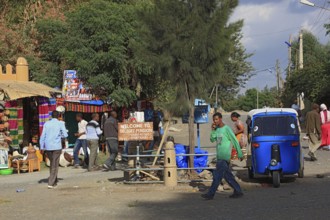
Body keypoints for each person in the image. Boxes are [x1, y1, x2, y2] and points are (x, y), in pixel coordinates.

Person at [201, 112, 244, 200]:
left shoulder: (227, 129)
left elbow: (235, 140)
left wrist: (239, 153)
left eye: (216, 119)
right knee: (228, 176)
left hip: (225, 157)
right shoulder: (217, 129)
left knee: (217, 176)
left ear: (220, 119)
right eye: (214, 120)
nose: (215, 121)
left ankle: (210, 194)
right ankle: (238, 191)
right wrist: (213, 130)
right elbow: (212, 139)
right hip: (219, 156)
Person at [40, 111, 68, 189]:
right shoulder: (61, 123)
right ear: (58, 116)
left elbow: (42, 136)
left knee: (52, 163)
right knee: (55, 164)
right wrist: (60, 135)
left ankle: (54, 180)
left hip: (48, 147)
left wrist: (42, 147)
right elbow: (65, 134)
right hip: (56, 146)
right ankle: (51, 182)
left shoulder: (46, 124)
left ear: (51, 116)